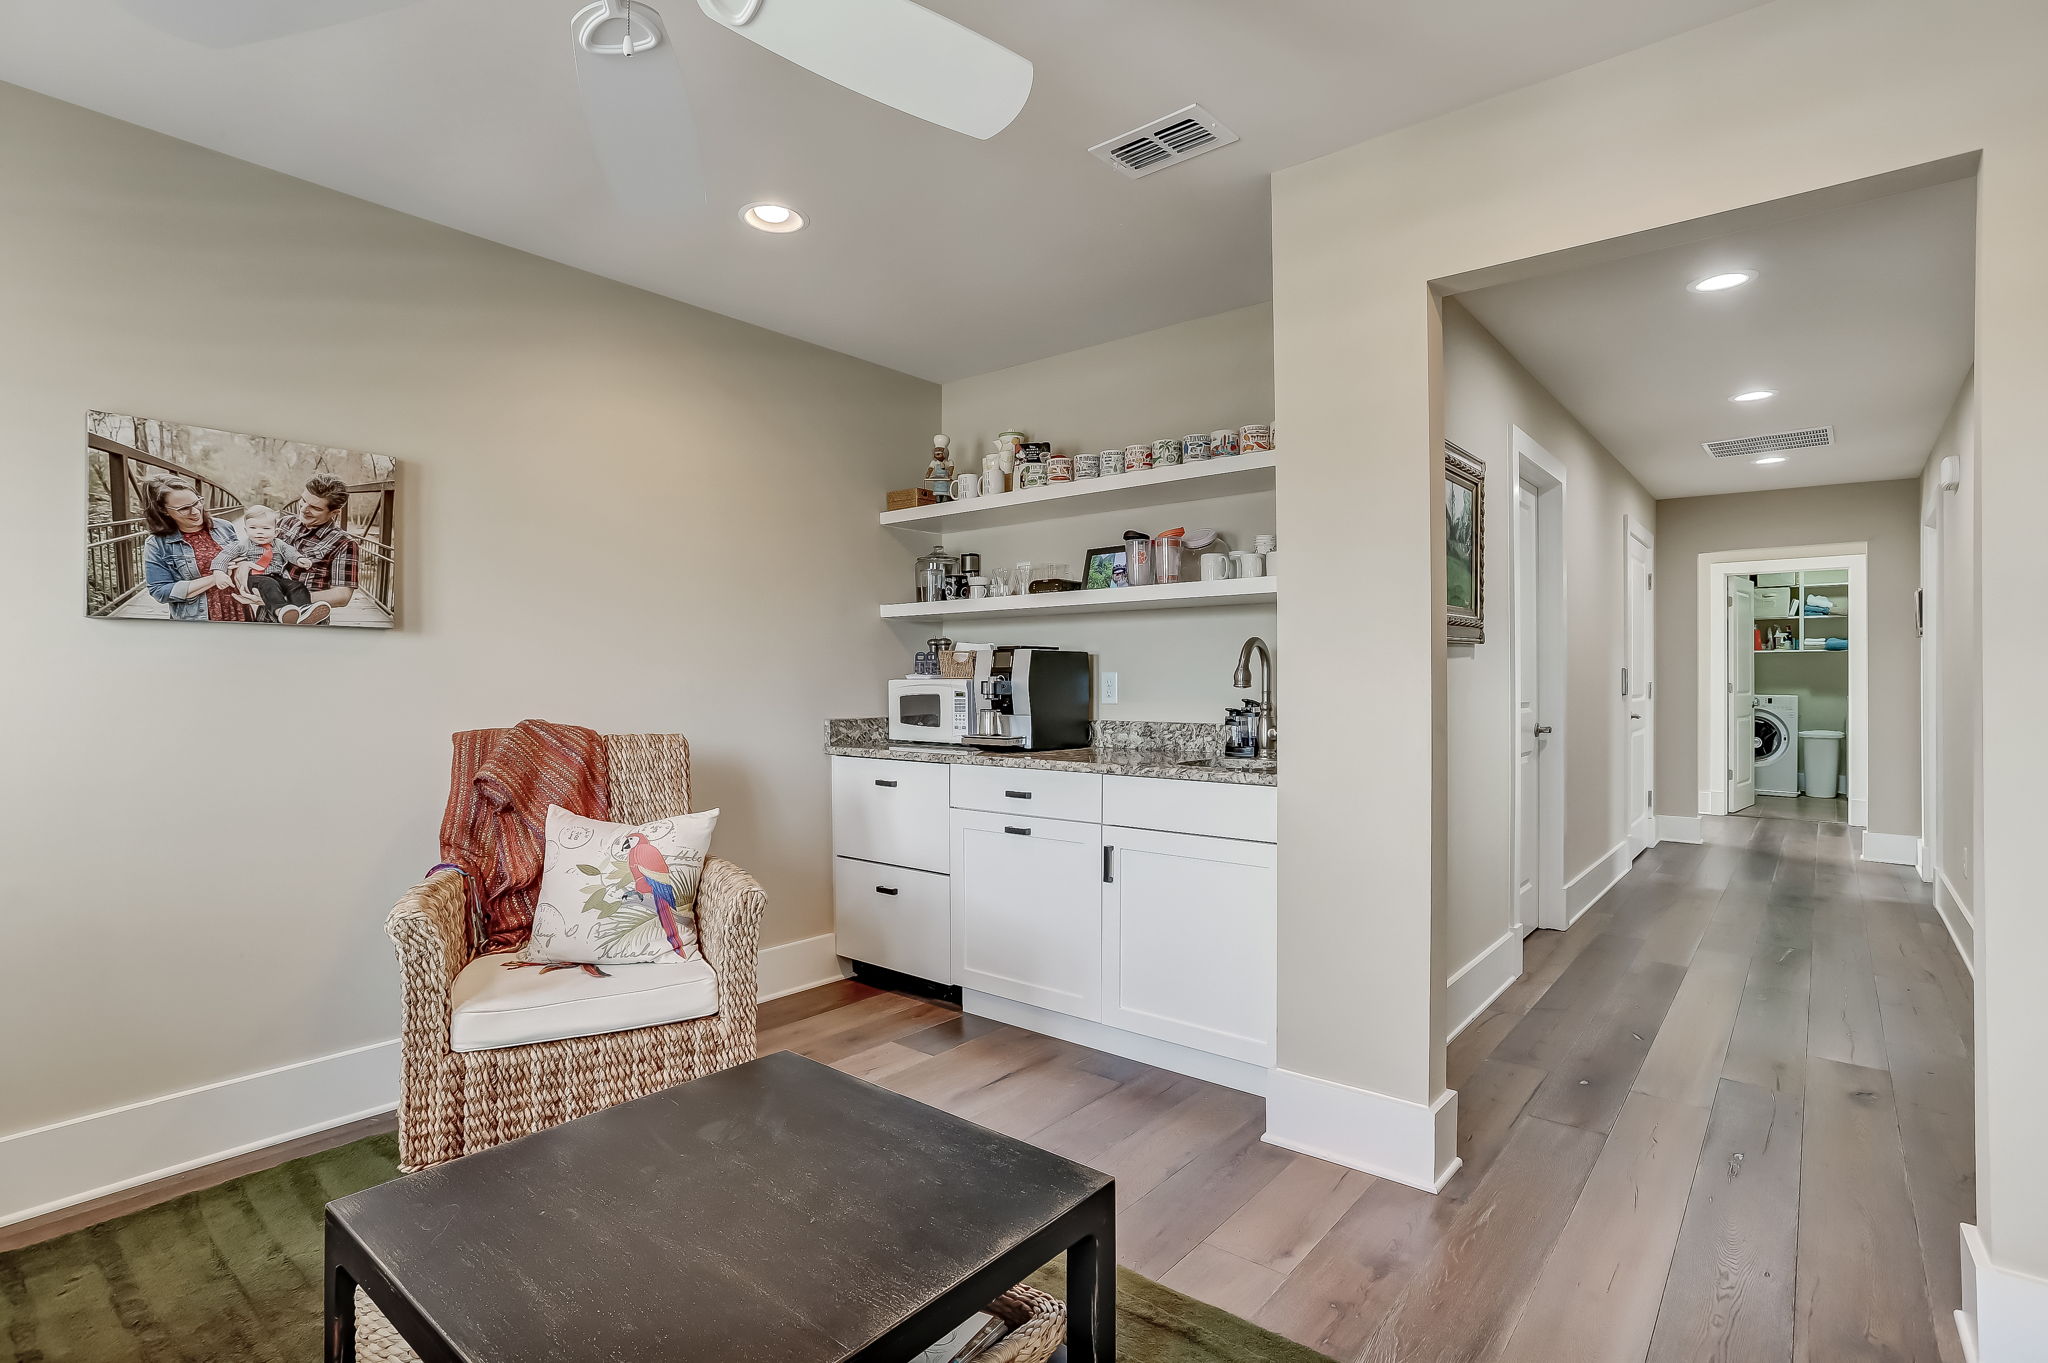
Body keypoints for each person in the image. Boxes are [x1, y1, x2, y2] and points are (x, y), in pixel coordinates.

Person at [139, 477, 249, 623]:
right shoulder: (157, 544)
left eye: (197, 502)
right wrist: (215, 577)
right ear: (163, 510)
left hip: (238, 607)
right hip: (198, 617)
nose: (195, 511)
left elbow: (240, 558)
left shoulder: (224, 526)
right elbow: (159, 591)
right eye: (184, 508)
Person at [213, 504, 330, 625]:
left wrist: (299, 559)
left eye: (266, 529)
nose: (259, 532)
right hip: (254, 579)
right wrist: (219, 572)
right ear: (245, 530)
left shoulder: (278, 543)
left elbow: (289, 551)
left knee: (296, 585)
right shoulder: (243, 545)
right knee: (269, 584)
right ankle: (281, 611)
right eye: (253, 528)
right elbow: (223, 556)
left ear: (276, 532)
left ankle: (304, 609)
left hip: (277, 577)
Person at [276, 474, 357, 619]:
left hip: (304, 619)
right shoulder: (284, 523)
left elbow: (342, 596)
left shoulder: (344, 543)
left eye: (315, 508)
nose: (304, 509)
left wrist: (283, 600)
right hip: (266, 614)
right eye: (303, 500)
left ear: (334, 513)